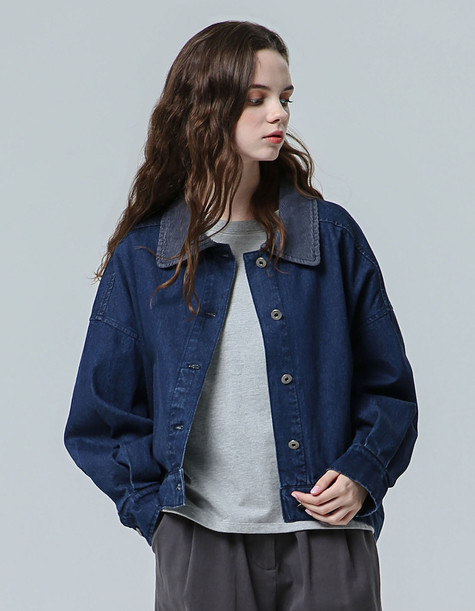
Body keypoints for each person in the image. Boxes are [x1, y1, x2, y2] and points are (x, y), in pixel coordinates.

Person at [64, 20, 418, 611]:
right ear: (205, 107)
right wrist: (159, 517)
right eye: (257, 99)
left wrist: (364, 471)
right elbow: (99, 418)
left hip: (326, 536)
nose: (278, 114)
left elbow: (390, 388)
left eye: (284, 98)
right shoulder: (146, 258)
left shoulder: (330, 238)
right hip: (200, 542)